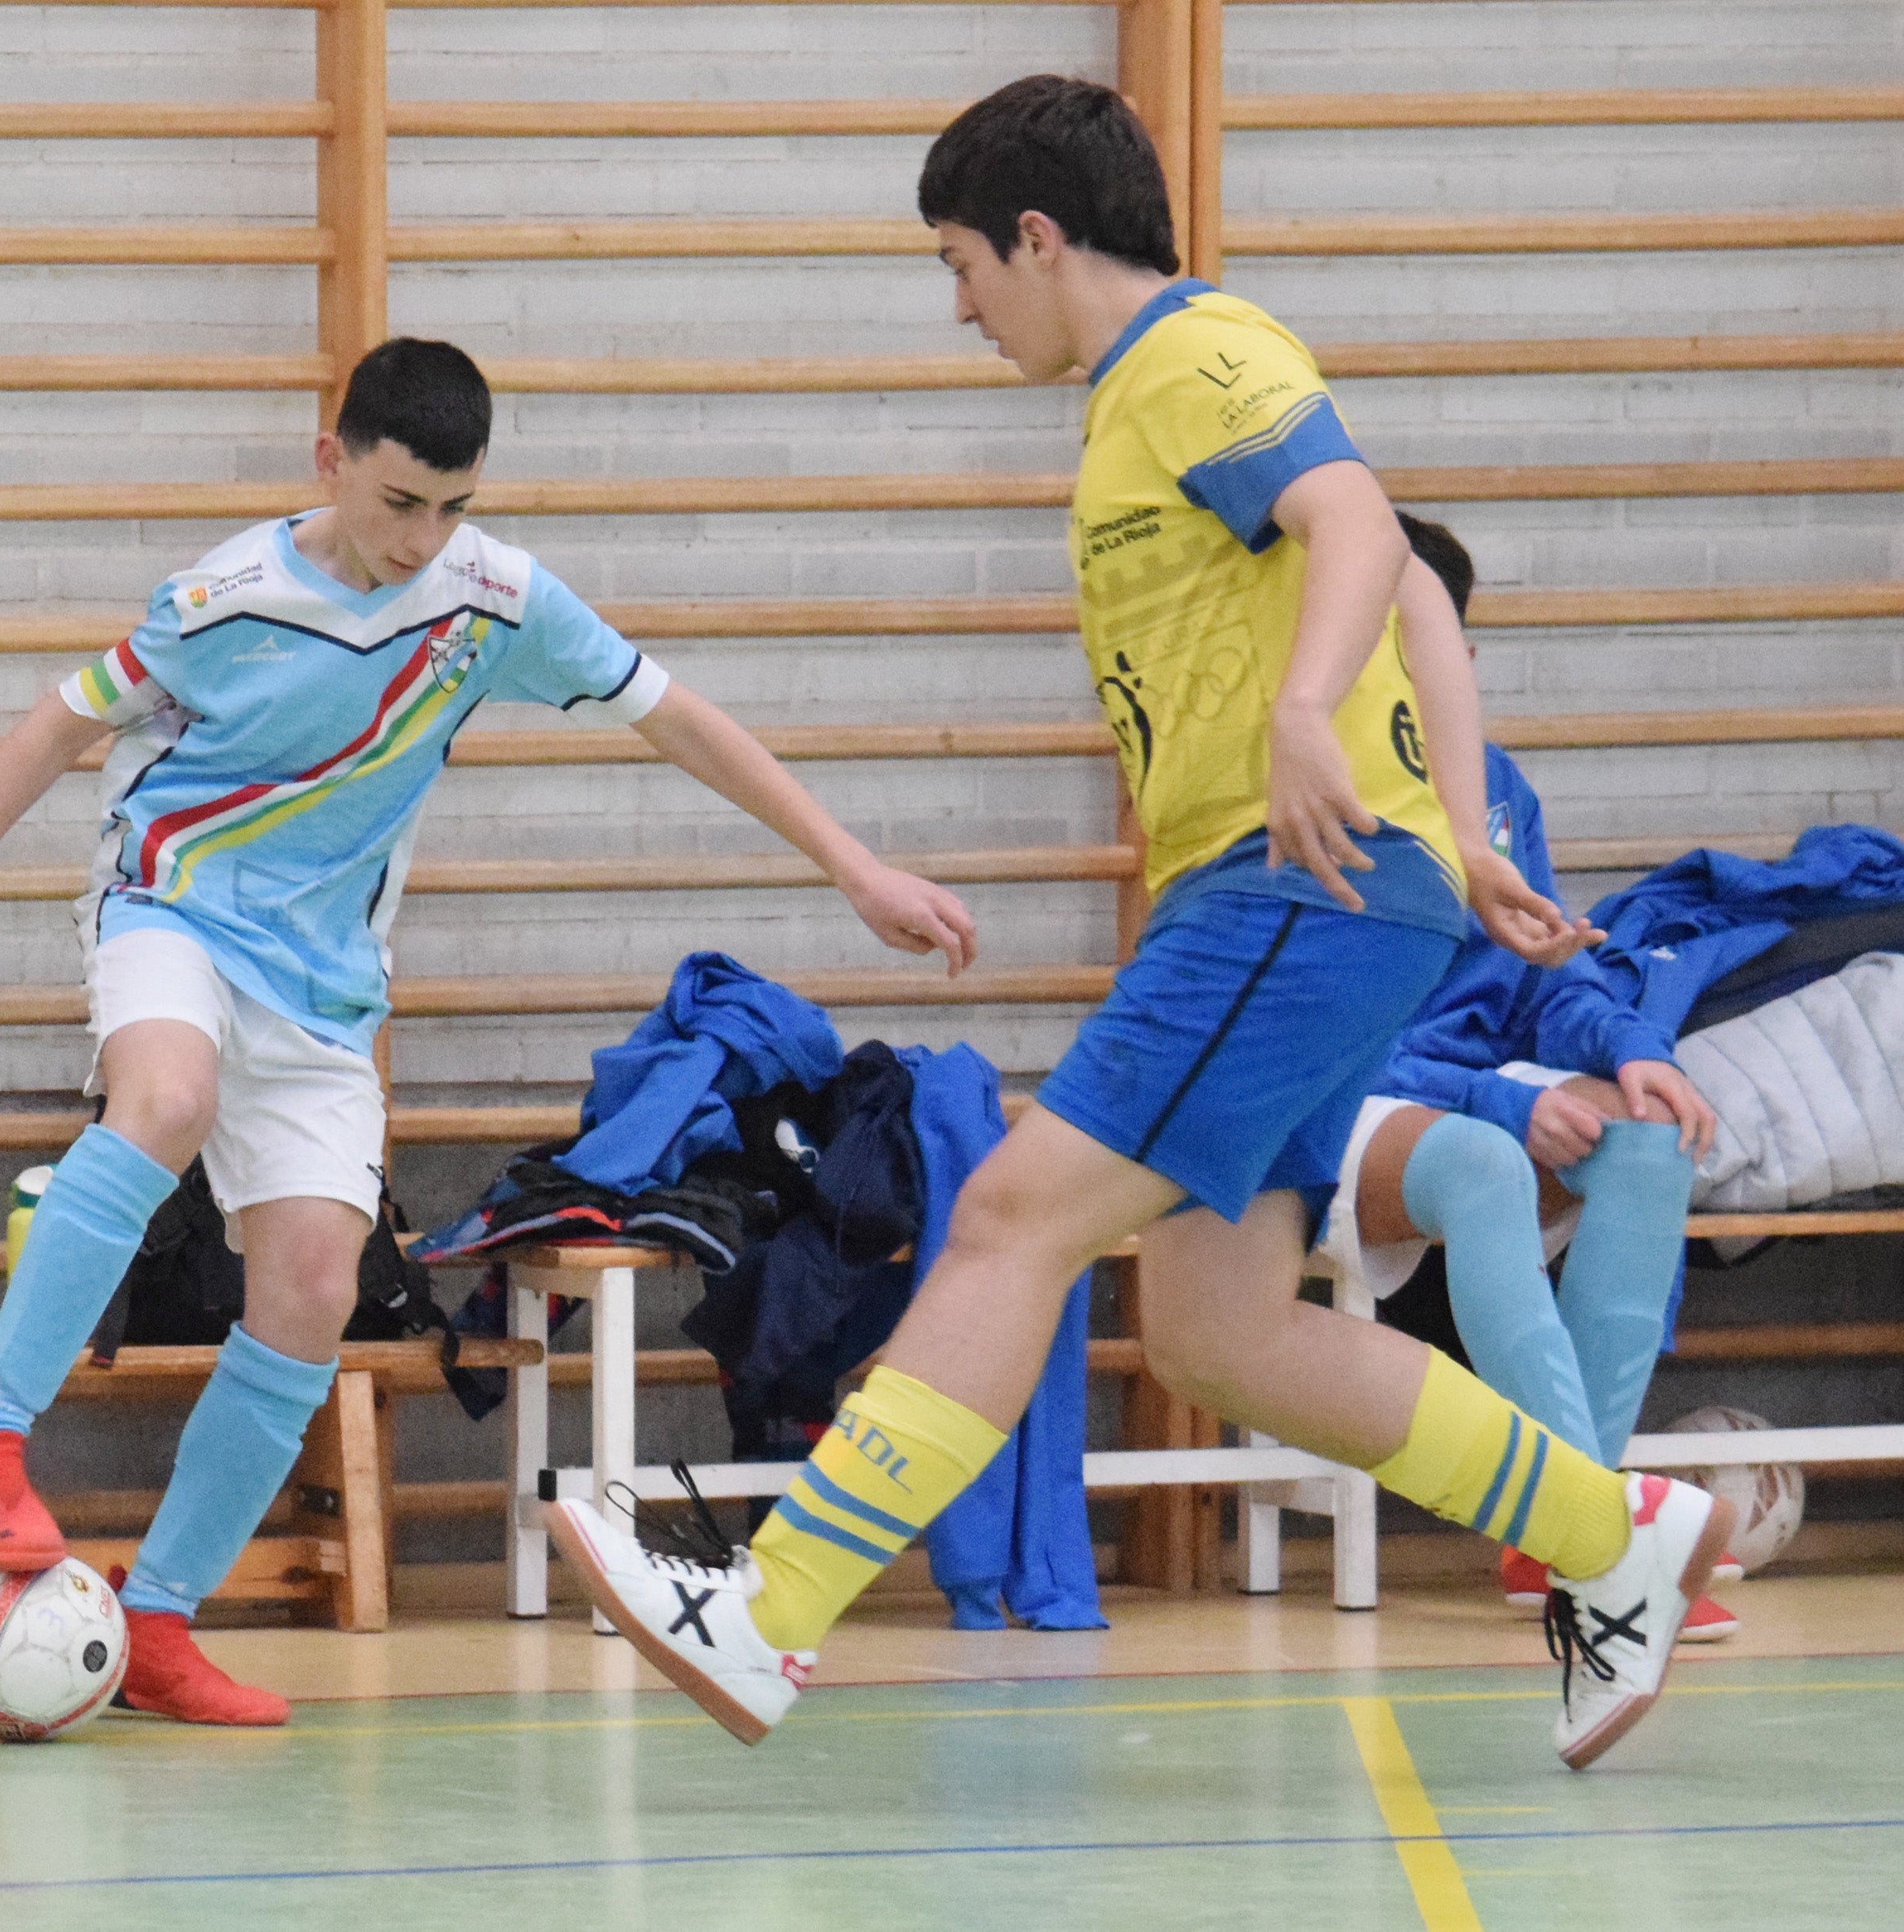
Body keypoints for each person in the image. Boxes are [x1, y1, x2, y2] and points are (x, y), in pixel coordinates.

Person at [546, 75, 1732, 1772]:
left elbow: (1361, 524)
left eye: (960, 261)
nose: (957, 303)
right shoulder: (1135, 402)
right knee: (1217, 1328)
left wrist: (1315, 718)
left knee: (1010, 1216)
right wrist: (1459, 832)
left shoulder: (1195, 352)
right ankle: (1615, 1535)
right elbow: (1406, 588)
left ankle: (769, 1605)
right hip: (1314, 888)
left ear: (1038, 235)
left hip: (1284, 883)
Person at [0, 336, 977, 1726]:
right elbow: (53, 731)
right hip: (171, 901)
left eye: (453, 508)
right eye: (399, 501)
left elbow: (683, 724)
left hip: (324, 980)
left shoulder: (491, 600)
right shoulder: (222, 596)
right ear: (332, 462)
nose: (424, 538)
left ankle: (162, 1622)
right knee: (162, 1100)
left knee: (307, 1286)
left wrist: (854, 866)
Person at [1322, 512, 1737, 1635]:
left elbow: (1543, 971)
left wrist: (1631, 1049)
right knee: (1481, 1165)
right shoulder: (1305, 786)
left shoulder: (1495, 788)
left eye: (1433, 638)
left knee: (1650, 1137)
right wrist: (1506, 1098)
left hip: (1456, 1080)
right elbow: (1323, 1031)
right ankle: (1594, 1540)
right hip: (1324, 1099)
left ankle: (1560, 1540)